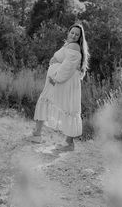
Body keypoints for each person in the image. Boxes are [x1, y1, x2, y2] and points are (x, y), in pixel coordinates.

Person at [28, 23, 89, 151]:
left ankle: (67, 143)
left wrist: (55, 77)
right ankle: (37, 134)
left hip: (62, 82)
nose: (73, 35)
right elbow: (62, 60)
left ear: (80, 38)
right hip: (59, 82)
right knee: (50, 101)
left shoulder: (74, 46)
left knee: (66, 107)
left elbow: (68, 67)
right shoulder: (68, 45)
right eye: (72, 32)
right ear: (68, 32)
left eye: (77, 34)